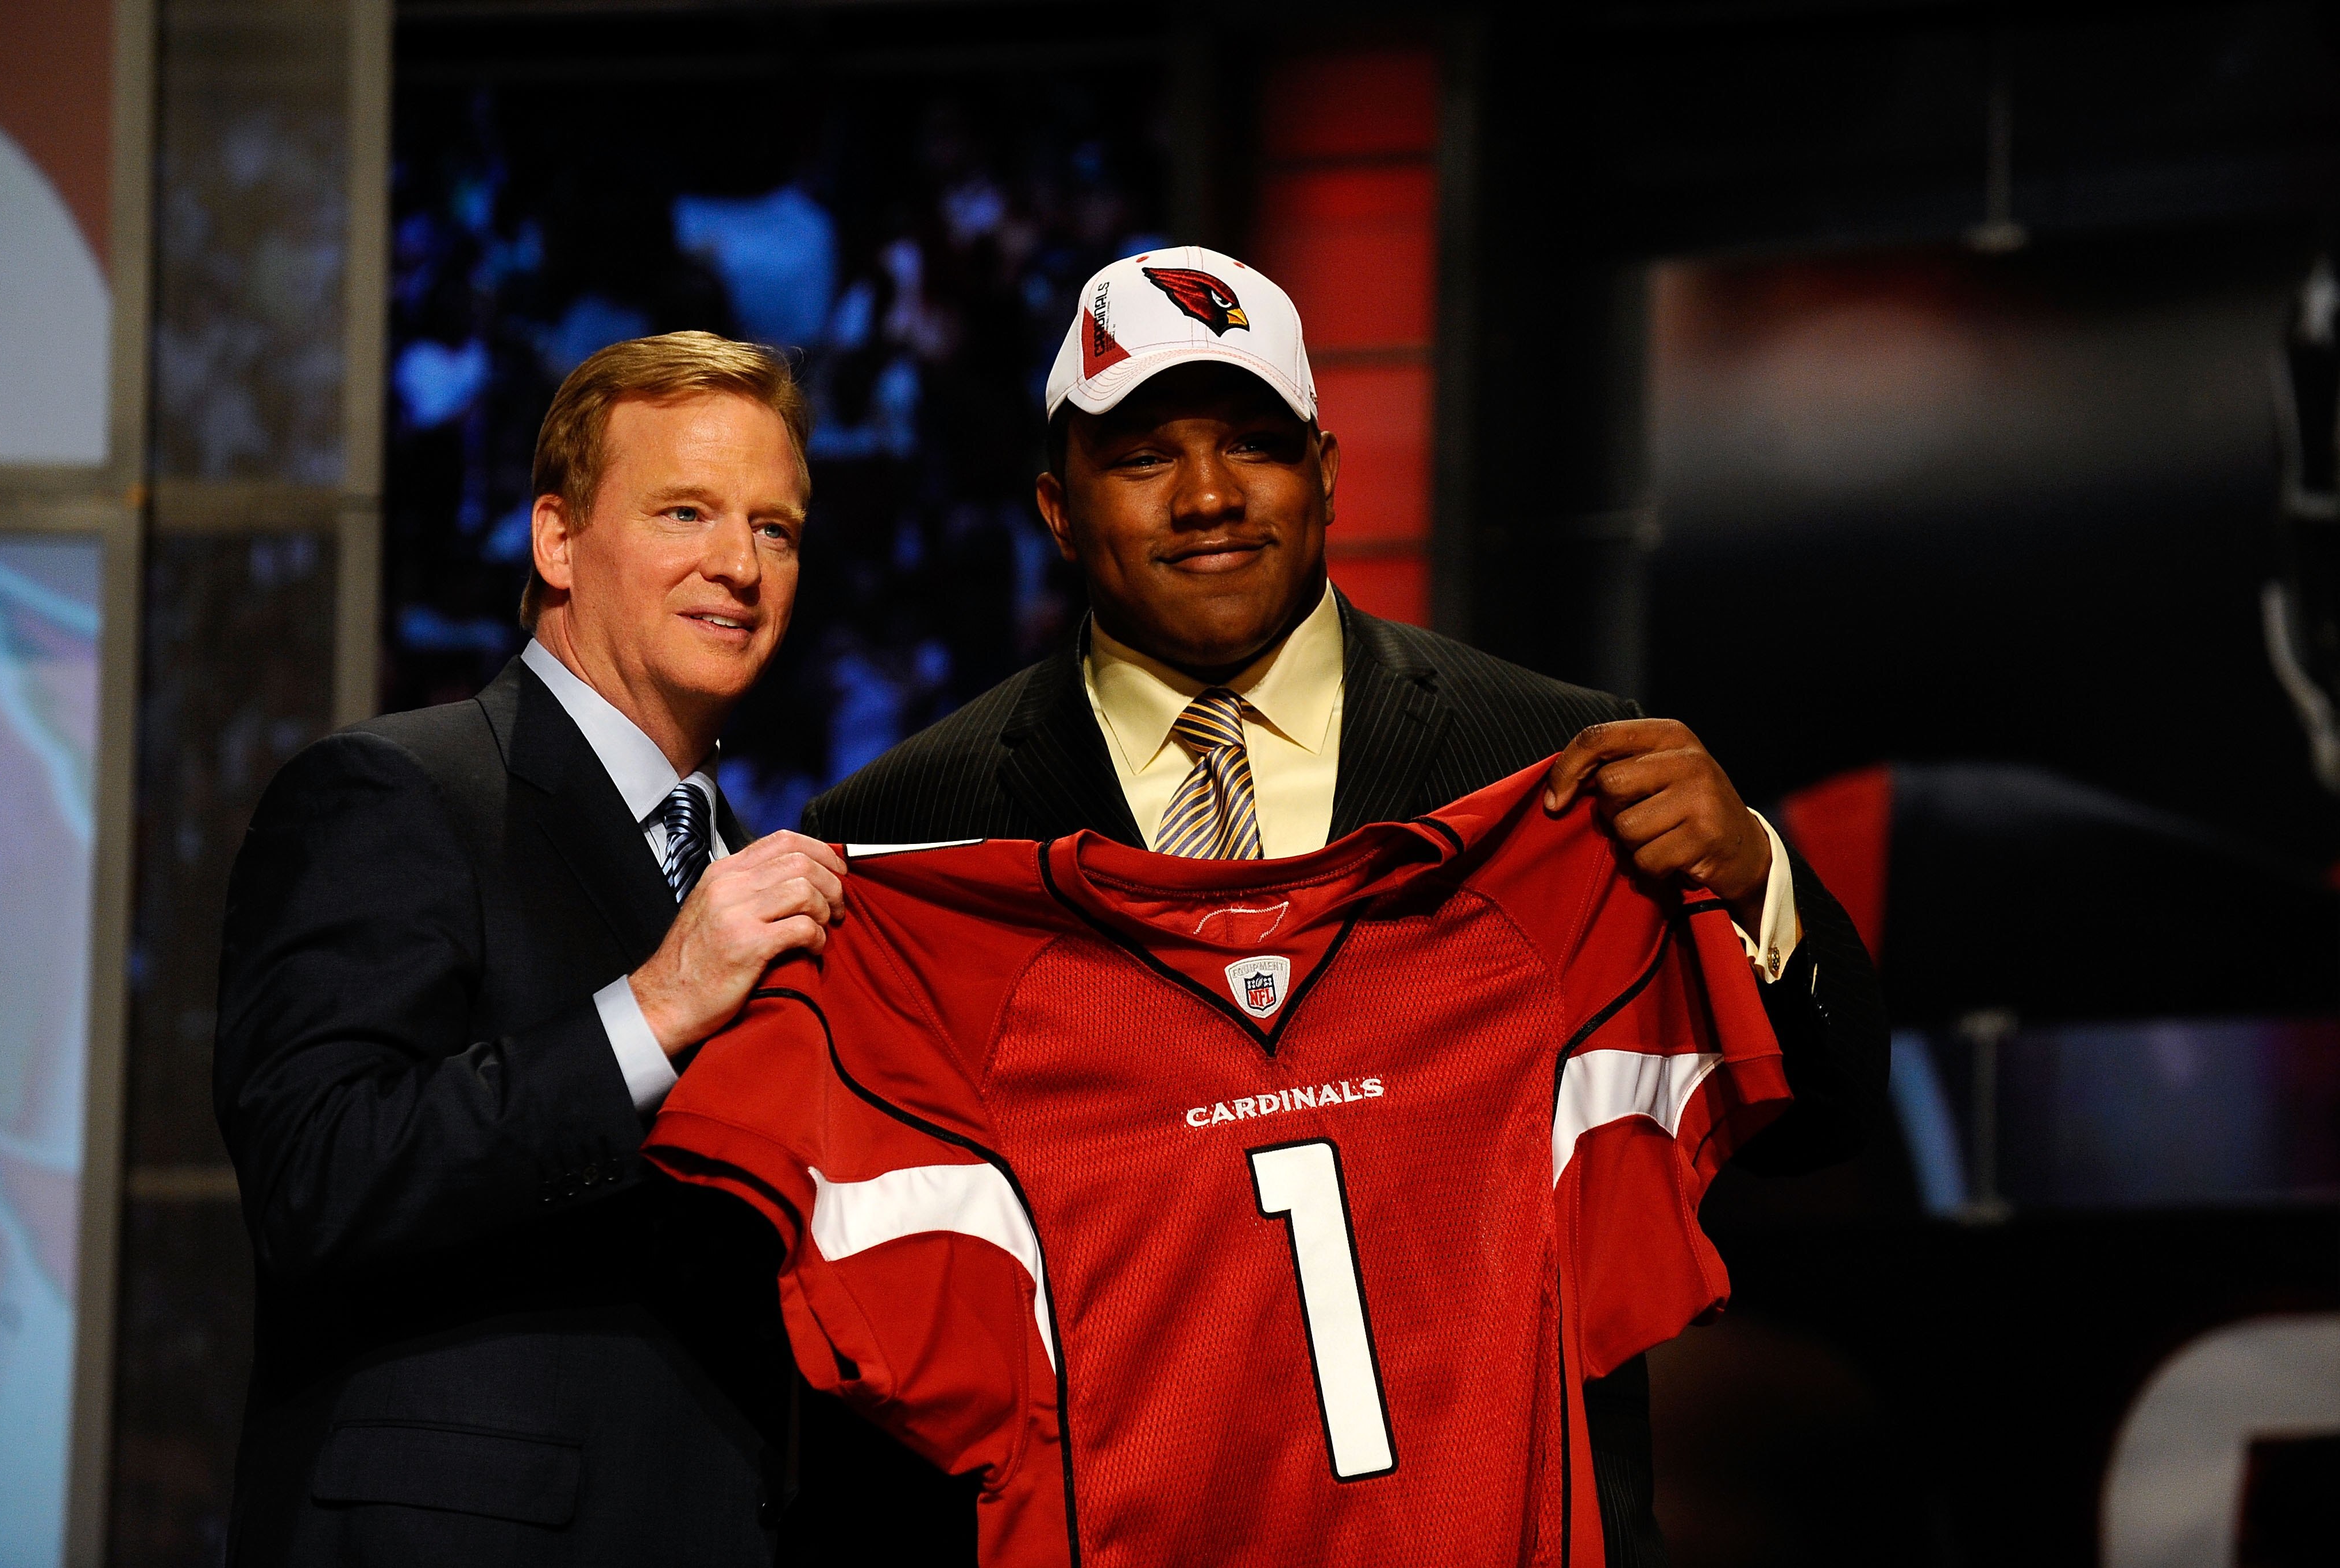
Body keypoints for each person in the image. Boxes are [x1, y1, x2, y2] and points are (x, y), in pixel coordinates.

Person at [792, 249, 1890, 1566]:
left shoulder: (1557, 766)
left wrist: (1754, 877)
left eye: (1252, 442)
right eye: (1145, 457)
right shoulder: (897, 843)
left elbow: (1819, 1122)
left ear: (1324, 466)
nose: (1207, 496)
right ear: (1056, 505)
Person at [214, 332, 849, 1565]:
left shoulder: (751, 875)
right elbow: (315, 1174)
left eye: (776, 528)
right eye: (686, 510)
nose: (740, 563)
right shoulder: (393, 792)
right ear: (557, 540)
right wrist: (652, 1011)